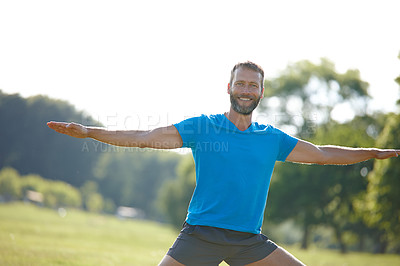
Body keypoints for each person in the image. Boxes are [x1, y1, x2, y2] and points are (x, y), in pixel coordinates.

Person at [47, 61, 399, 266]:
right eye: (241, 83)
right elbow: (143, 136)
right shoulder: (202, 128)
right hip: (201, 234)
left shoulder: (271, 138)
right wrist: (90, 131)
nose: (246, 90)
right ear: (229, 87)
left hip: (250, 241)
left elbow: (321, 154)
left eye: (254, 85)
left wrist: (371, 153)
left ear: (261, 92)